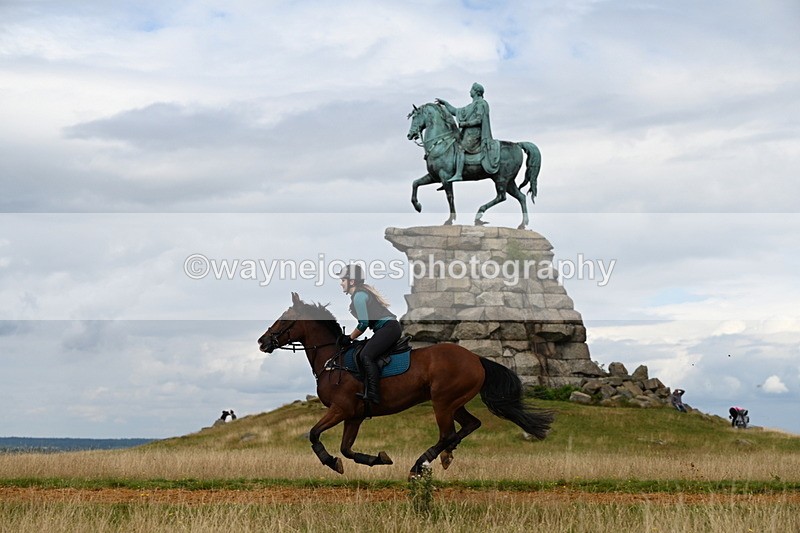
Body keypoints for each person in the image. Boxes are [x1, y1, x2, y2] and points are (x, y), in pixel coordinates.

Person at [338, 264, 401, 405]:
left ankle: (373, 394)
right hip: (387, 328)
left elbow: (363, 323)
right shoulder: (359, 294)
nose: (341, 283)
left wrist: (349, 338)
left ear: (351, 281)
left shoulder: (359, 296)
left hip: (388, 328)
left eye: (343, 280)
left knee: (365, 355)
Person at [435, 82, 500, 186]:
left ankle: (458, 174)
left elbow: (479, 120)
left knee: (460, 148)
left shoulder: (481, 104)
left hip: (475, 134)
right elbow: (455, 111)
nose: (470, 91)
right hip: (467, 133)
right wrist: (445, 104)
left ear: (476, 92)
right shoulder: (471, 106)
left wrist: (465, 124)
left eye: (471, 90)